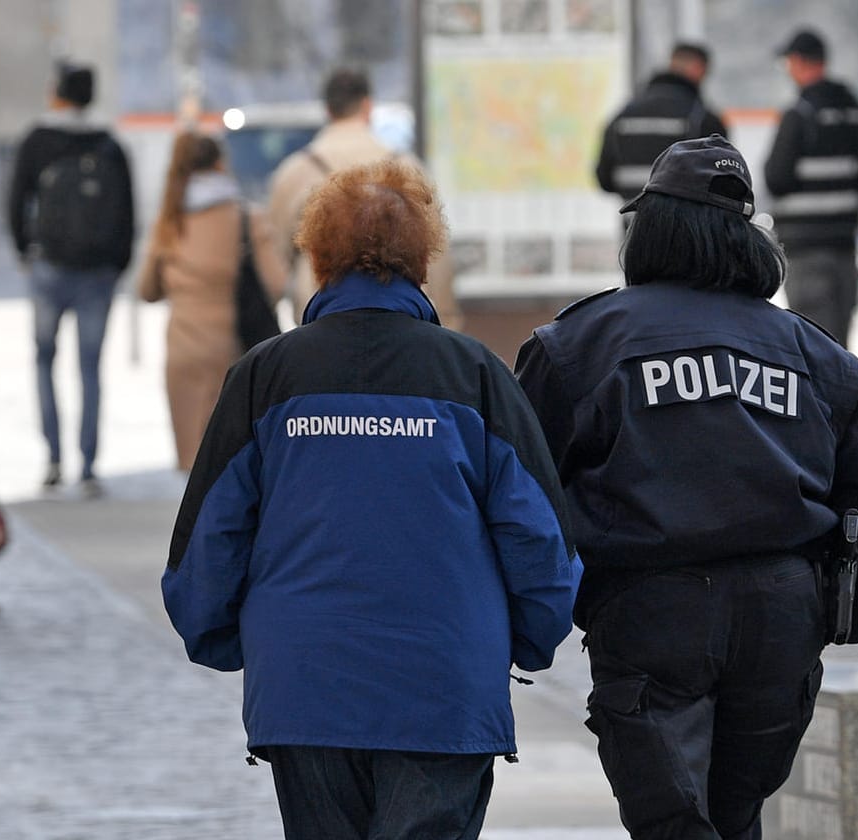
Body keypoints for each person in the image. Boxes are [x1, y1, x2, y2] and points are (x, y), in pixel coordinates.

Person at [162, 158, 580, 839]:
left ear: (319, 257)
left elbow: (210, 537)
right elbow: (537, 538)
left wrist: (222, 636)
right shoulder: (472, 375)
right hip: (443, 686)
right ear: (421, 258)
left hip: (306, 686)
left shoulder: (265, 376)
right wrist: (528, 639)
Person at [515, 135, 858, 840]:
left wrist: (530, 618)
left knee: (675, 824)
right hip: (782, 618)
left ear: (650, 230)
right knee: (734, 816)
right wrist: (843, 619)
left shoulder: (580, 344)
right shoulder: (818, 355)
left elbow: (522, 491)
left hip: (651, 611)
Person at [7, 61, 136, 496]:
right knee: (90, 368)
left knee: (44, 359)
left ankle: (53, 457)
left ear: (57, 92)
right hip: (97, 273)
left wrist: (26, 250)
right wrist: (116, 263)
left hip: (50, 268)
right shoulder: (109, 144)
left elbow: (15, 200)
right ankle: (88, 464)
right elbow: (128, 211)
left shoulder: (37, 141)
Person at [137, 132, 287, 472]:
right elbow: (277, 283)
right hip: (232, 350)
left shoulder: (169, 221)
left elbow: (147, 289)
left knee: (192, 465)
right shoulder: (248, 218)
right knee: (229, 463)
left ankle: (196, 526)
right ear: (220, 163)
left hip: (182, 351)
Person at [267, 66, 462, 327]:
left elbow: (276, 254)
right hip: (401, 314)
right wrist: (448, 319)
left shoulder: (294, 172)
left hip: (318, 307)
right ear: (368, 106)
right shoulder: (405, 166)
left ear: (328, 109)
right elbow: (437, 253)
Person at [763, 27, 858, 349]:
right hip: (844, 245)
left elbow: (776, 178)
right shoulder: (856, 111)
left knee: (812, 347)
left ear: (798, 62)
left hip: (806, 248)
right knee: (840, 346)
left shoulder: (800, 114)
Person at [594, 41, 728, 207]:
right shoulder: (701, 118)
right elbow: (724, 179)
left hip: (633, 223)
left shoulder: (623, 115)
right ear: (698, 68)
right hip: (684, 225)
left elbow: (604, 179)